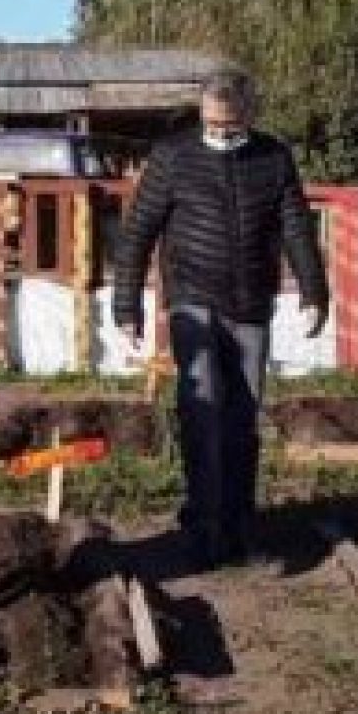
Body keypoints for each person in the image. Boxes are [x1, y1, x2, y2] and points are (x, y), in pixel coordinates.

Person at [110, 71, 327, 566]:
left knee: (243, 415)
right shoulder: (173, 157)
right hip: (193, 298)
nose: (219, 134)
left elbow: (295, 225)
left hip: (252, 302)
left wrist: (314, 292)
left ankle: (239, 525)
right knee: (202, 408)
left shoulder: (273, 157)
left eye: (228, 127)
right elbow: (138, 230)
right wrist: (128, 305)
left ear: (249, 116)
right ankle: (201, 525)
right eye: (211, 124)